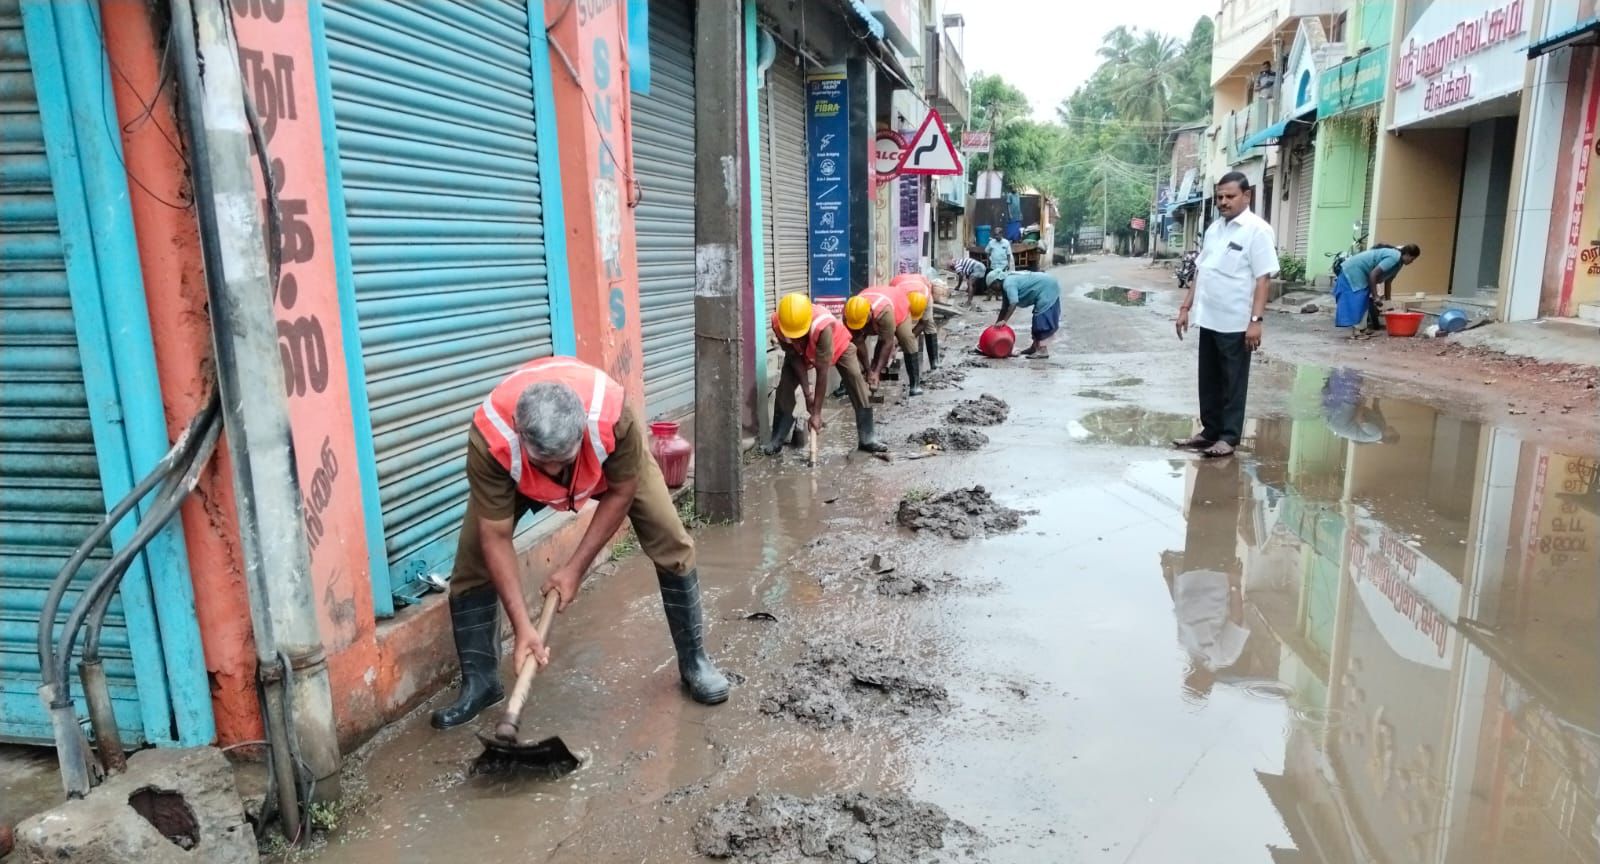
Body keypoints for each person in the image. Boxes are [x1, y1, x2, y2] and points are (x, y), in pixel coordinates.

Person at [432, 356, 730, 729]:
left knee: (671, 539)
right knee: (472, 561)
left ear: (579, 435)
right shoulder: (490, 438)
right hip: (516, 473)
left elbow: (621, 492)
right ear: (520, 435)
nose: (555, 472)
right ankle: (480, 684)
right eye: (546, 463)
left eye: (564, 461)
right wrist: (523, 627)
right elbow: (495, 536)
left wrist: (573, 570)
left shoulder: (612, 418)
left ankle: (694, 661)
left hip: (605, 466)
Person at [1173, 171, 1279, 459]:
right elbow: (1202, 271)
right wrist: (1185, 307)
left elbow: (1263, 279)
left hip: (1236, 321)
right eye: (1219, 197)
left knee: (1233, 382)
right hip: (1209, 317)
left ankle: (1229, 437)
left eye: (1229, 196)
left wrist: (1256, 322)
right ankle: (1209, 432)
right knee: (1208, 380)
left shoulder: (1257, 230)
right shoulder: (1214, 229)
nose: (1223, 202)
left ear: (1247, 196)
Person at [762, 292, 888, 455]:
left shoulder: (823, 326)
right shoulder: (779, 323)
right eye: (792, 335)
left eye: (799, 333)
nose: (796, 337)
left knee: (855, 379)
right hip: (801, 353)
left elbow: (822, 371)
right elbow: (793, 357)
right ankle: (777, 439)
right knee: (785, 386)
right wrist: (808, 395)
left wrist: (816, 413)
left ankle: (867, 438)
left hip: (837, 345)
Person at [845, 282, 924, 397]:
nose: (860, 327)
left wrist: (877, 372)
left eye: (862, 324)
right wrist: (868, 370)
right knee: (853, 345)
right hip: (874, 308)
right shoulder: (850, 313)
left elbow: (887, 342)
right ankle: (856, 379)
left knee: (906, 338)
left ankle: (915, 384)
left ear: (869, 314)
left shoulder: (884, 312)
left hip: (897, 304)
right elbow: (858, 342)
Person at [1333, 243, 1421, 335]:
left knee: (1364, 299)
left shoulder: (1398, 263)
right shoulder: (1394, 257)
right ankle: (1357, 332)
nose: (1412, 261)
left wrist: (1388, 304)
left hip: (1360, 271)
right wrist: (1376, 296)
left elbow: (1388, 282)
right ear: (1406, 254)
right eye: (1412, 258)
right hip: (1354, 269)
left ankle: (1362, 329)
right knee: (1359, 298)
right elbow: (1373, 274)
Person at [986, 269, 1062, 359]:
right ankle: (1034, 347)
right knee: (1036, 321)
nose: (993, 290)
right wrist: (996, 326)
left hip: (1048, 288)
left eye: (992, 287)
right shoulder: (1006, 286)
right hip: (1046, 285)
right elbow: (1004, 308)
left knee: (1041, 321)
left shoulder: (1008, 283)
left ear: (997, 282)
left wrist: (1004, 321)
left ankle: (1042, 350)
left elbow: (1013, 303)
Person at [889, 272, 940, 371]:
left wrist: (903, 343)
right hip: (900, 286)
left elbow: (923, 323)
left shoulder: (926, 297)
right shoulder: (896, 298)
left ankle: (934, 362)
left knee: (929, 324)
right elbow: (894, 323)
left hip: (920, 284)